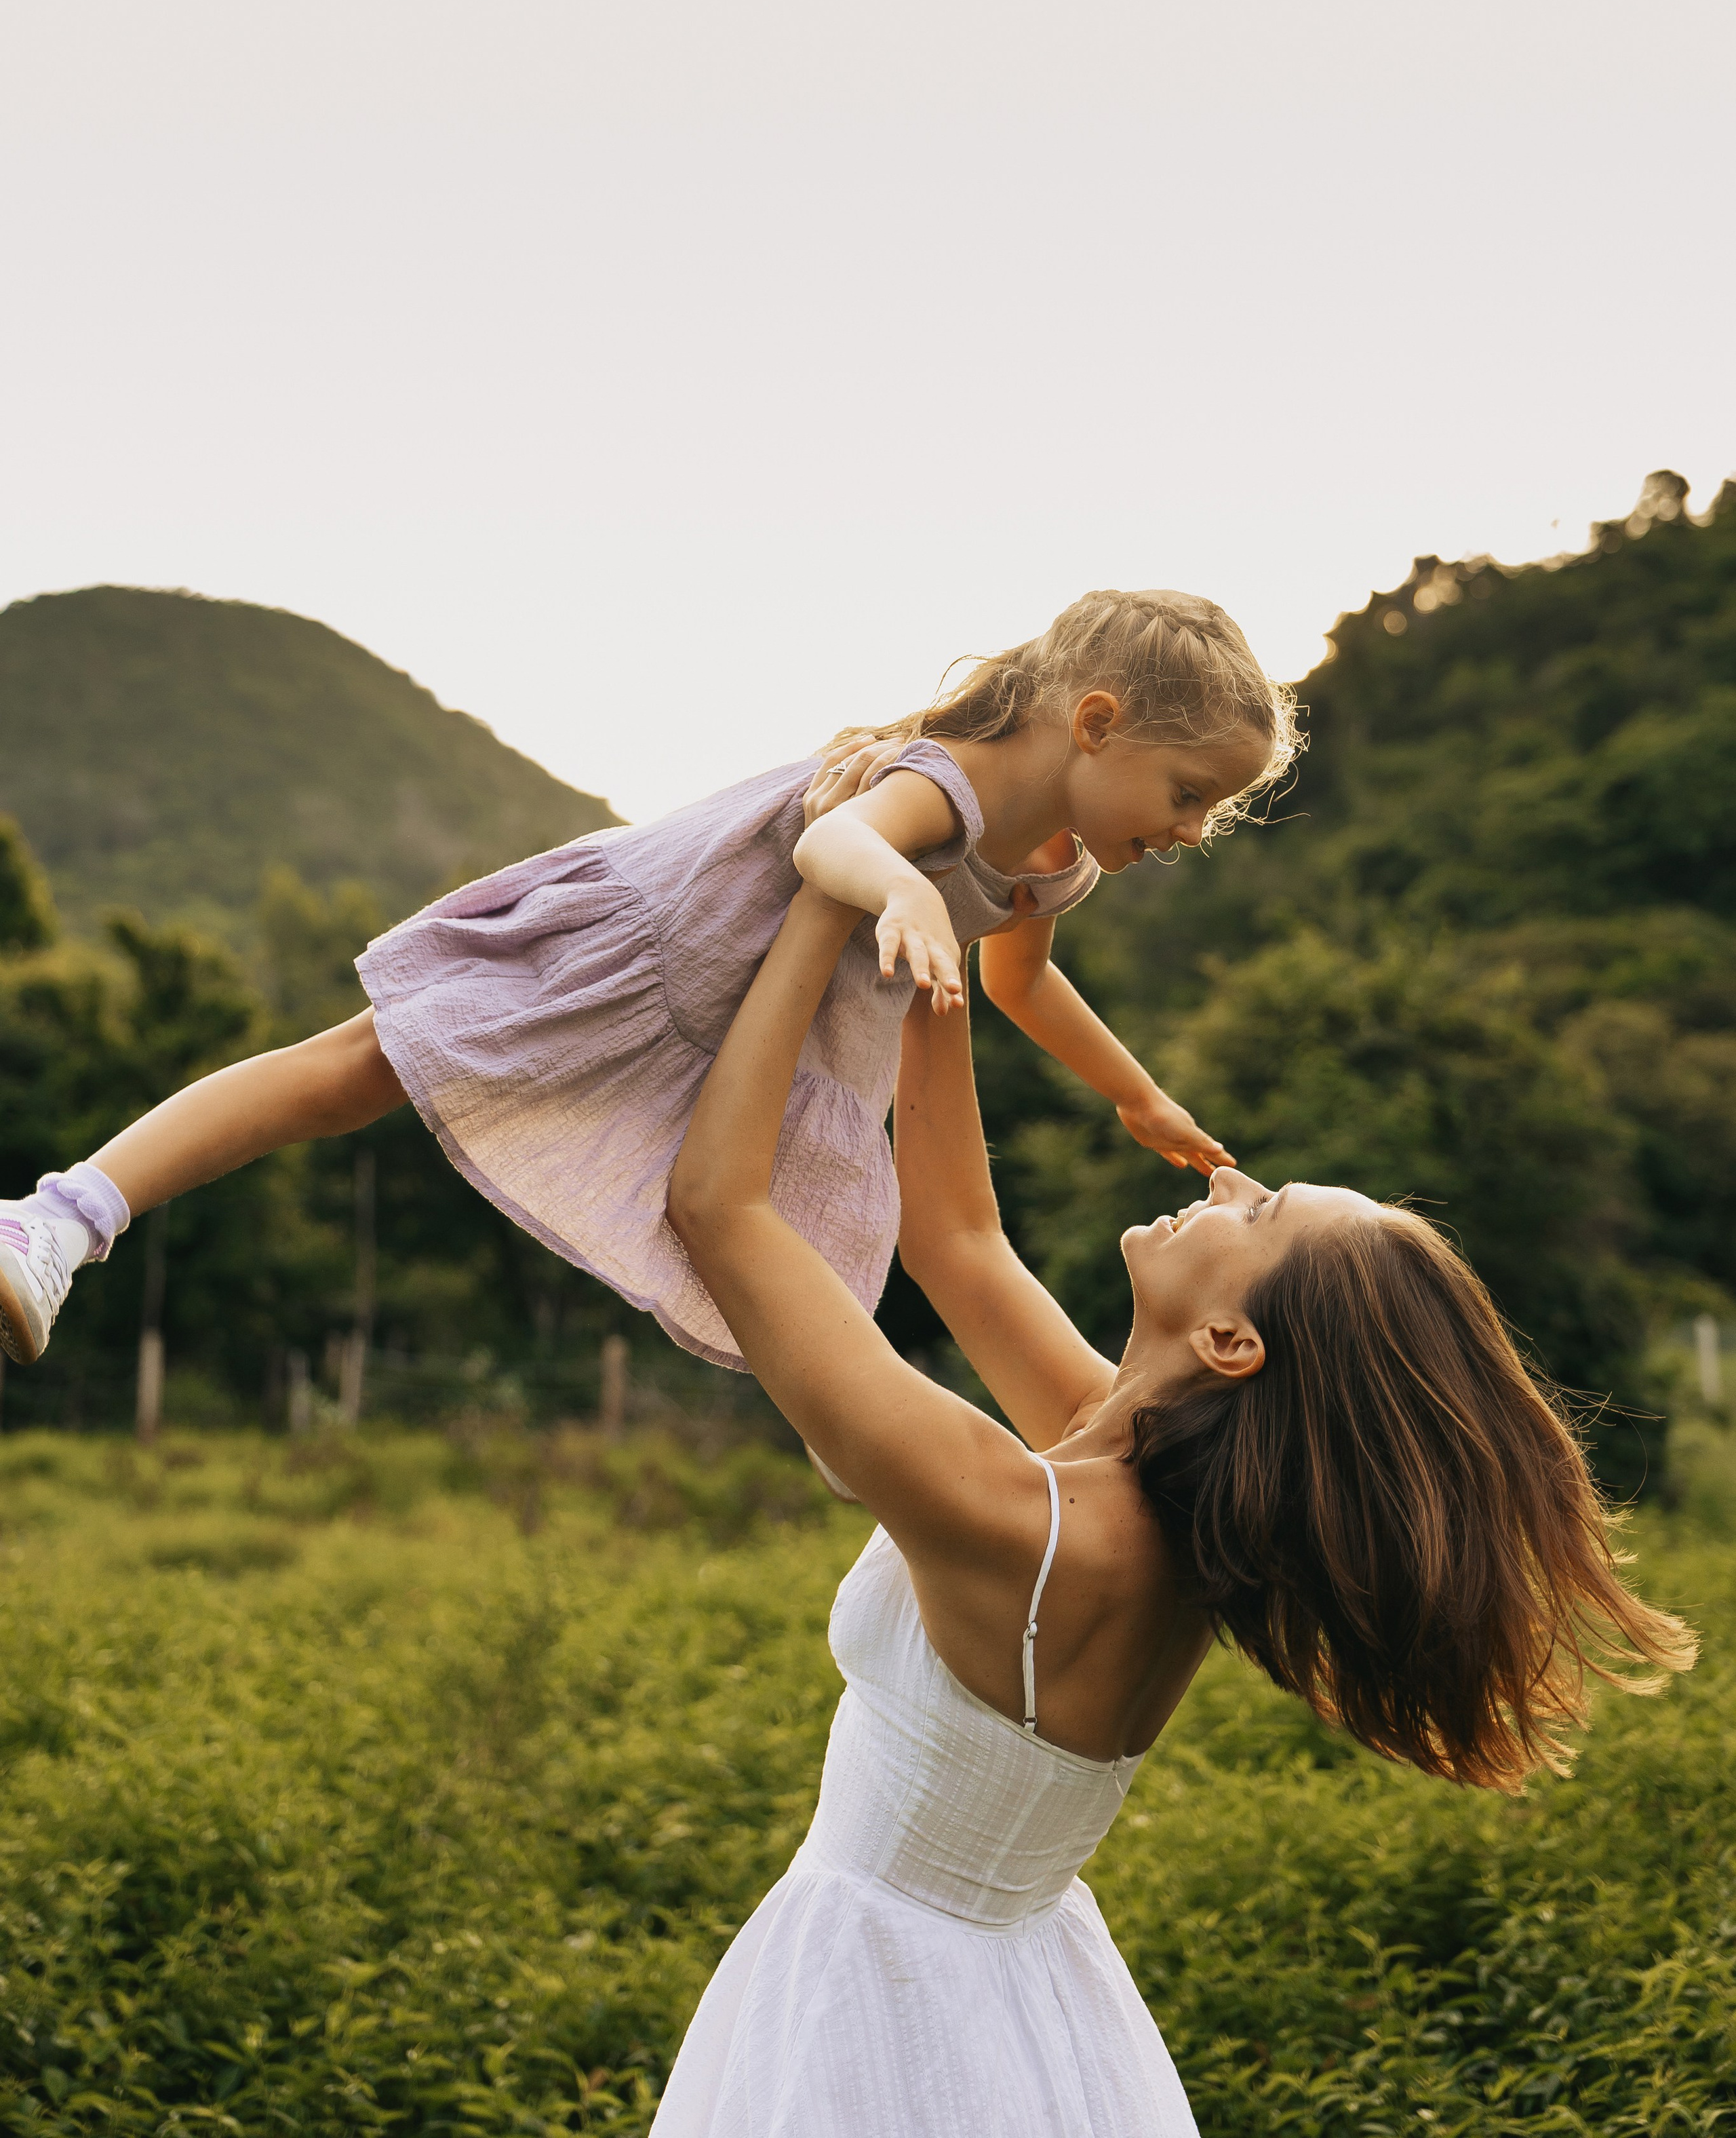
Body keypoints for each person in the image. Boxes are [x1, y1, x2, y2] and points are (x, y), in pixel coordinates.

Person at [653, 882, 1695, 2137]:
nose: (1228, 1183)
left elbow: (719, 1204)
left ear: (1229, 1338)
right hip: (1024, 1995)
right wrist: (936, 945)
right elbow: (957, 1239)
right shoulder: (1149, 1478)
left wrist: (833, 901)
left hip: (877, 1996)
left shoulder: (1025, 1518)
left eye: (1258, 1213)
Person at [0, 588, 1290, 1371]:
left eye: (1213, 815)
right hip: (669, 942)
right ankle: (57, 1220)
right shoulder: (942, 778)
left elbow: (1020, 982)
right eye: (1188, 795)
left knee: (764, 1243)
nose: (1189, 830)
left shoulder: (1059, 862)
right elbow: (830, 844)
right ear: (1098, 721)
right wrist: (899, 886)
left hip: (757, 1031)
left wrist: (1138, 1096)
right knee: (355, 1069)